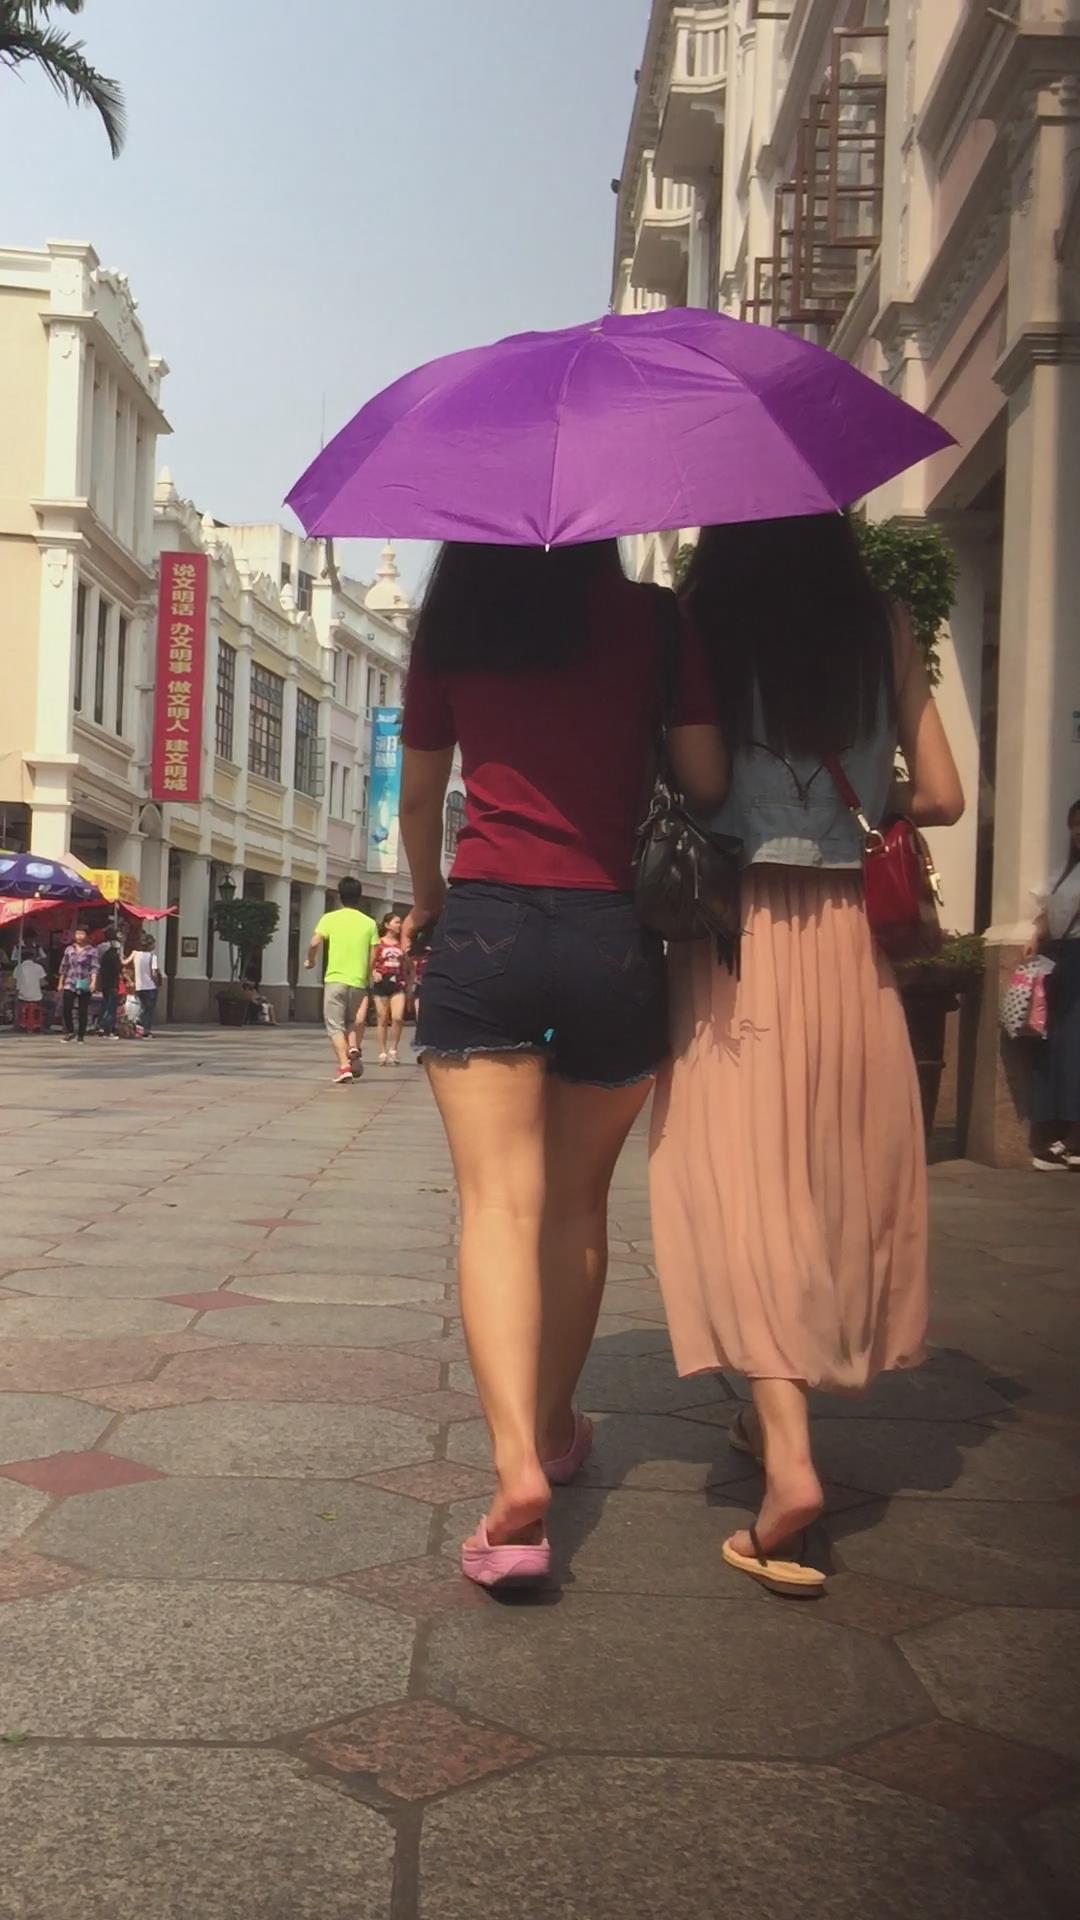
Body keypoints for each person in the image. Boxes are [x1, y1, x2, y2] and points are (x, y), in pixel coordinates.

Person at [400, 539, 724, 1590]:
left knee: (498, 1206)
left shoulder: (452, 627)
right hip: (613, 933)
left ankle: (513, 1476)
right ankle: (552, 1429)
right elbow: (706, 777)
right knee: (580, 1205)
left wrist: (431, 898)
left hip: (485, 925)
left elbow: (419, 801)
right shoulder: (656, 619)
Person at [650, 513, 964, 1597]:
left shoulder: (700, 621)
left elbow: (699, 786)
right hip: (847, 942)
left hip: (736, 937)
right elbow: (943, 795)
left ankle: (789, 1461)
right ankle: (776, 1412)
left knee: (741, 1179)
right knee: (827, 1174)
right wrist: (857, 793)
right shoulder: (884, 622)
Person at [1026, 798, 1080, 1171]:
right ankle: (1064, 1134)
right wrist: (1036, 934)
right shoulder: (1065, 870)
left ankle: (1074, 1140)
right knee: (1058, 1045)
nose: (1078, 832)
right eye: (1074, 824)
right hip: (1061, 958)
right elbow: (1049, 910)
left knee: (1073, 1044)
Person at [305, 876, 378, 1085]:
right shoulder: (370, 923)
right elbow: (374, 955)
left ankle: (345, 1066)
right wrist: (367, 975)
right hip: (358, 981)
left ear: (340, 896)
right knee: (353, 1020)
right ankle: (353, 1048)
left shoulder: (329, 918)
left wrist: (311, 960)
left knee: (335, 1025)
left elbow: (314, 942)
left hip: (335, 979)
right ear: (360, 896)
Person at [371, 912, 408, 1064]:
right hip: (382, 983)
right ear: (387, 925)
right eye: (396, 922)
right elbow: (371, 962)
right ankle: (382, 1051)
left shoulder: (402, 944)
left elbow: (407, 965)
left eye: (400, 922)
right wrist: (373, 973)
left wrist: (409, 983)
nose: (399, 925)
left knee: (397, 1017)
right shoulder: (378, 943)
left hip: (398, 983)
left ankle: (393, 1049)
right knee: (382, 1017)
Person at [59, 925, 97, 1042]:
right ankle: (70, 1031)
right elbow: (64, 966)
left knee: (83, 1010)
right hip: (70, 981)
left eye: (82, 934)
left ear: (87, 936)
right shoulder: (69, 949)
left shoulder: (92, 951)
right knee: (66, 1008)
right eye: (77, 934)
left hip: (84, 981)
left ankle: (81, 1035)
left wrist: (93, 982)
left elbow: (94, 967)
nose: (79, 936)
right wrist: (60, 982)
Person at [124, 935, 162, 1036]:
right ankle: (146, 1030)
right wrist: (157, 983)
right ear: (150, 945)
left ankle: (138, 1027)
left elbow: (124, 962)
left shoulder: (135, 954)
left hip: (139, 986)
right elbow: (154, 973)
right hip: (150, 986)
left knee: (141, 1007)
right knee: (149, 1009)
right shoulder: (152, 957)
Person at [94, 929, 123, 1038]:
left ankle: (100, 1026)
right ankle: (107, 1028)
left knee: (105, 1003)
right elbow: (121, 962)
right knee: (111, 1006)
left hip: (103, 978)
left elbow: (97, 962)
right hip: (113, 979)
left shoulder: (100, 947)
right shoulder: (118, 947)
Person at [14, 944, 47, 1030]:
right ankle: (46, 1027)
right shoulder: (39, 967)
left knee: (13, 1003)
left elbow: (14, 983)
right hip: (37, 998)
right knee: (52, 1005)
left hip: (22, 997)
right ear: (33, 958)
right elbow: (43, 983)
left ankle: (19, 1025)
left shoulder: (18, 968)